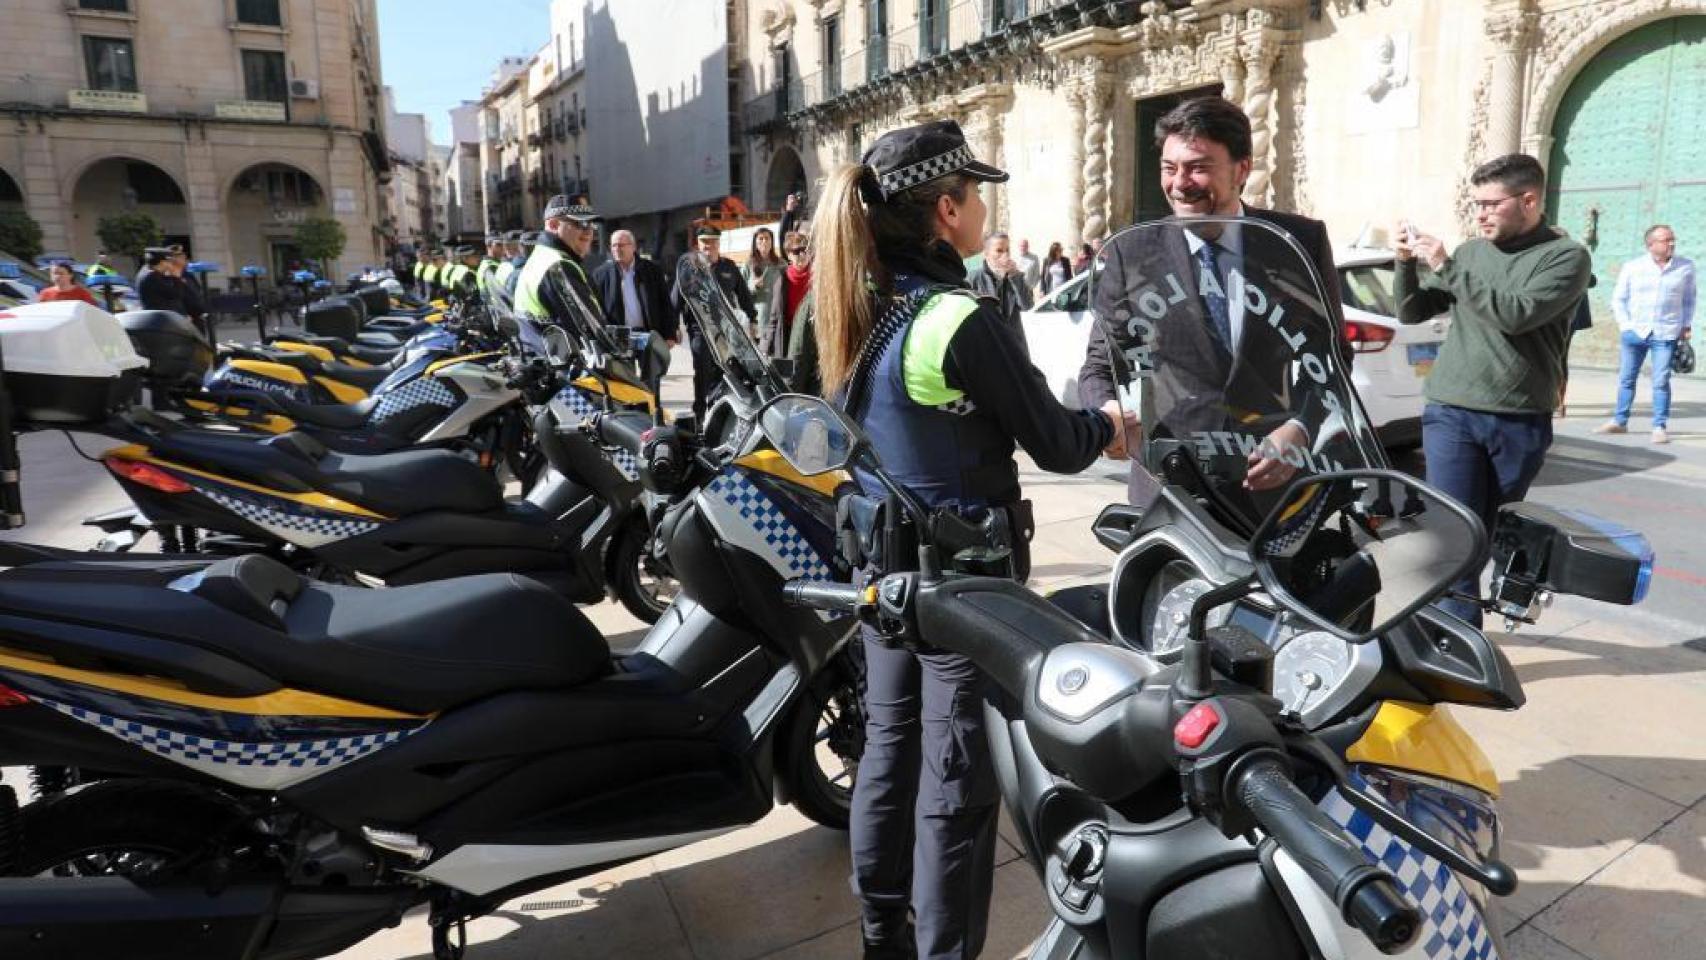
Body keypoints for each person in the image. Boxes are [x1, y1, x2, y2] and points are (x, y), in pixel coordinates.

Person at [811, 118, 1129, 960]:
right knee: (955, 781)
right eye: (977, 194)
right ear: (948, 209)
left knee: (887, 752)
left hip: (881, 577)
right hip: (962, 592)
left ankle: (884, 933)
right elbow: (1058, 444)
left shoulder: (850, 304)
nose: (985, 207)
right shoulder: (957, 317)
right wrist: (1109, 424)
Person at [1079, 95, 1343, 507]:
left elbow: (1332, 357)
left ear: (1242, 168)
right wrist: (1110, 415)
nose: (1179, 183)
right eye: (1169, 168)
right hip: (1170, 488)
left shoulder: (1298, 243)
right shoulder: (1133, 253)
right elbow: (1100, 366)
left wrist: (1301, 427)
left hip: (1275, 490)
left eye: (1198, 167)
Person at [1395, 152, 1591, 625]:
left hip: (1518, 417)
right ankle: (1458, 636)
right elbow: (1412, 312)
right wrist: (1404, 263)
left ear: (1528, 200)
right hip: (1451, 410)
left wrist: (1444, 263)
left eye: (1490, 203)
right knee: (1452, 529)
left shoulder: (1566, 258)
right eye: (1475, 203)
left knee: (1487, 531)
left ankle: (1469, 615)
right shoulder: (1471, 252)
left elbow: (1515, 314)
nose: (1479, 213)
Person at [1597, 225, 1696, 443]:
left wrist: (1686, 325)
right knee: (1626, 378)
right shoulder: (1633, 267)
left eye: (1672, 239)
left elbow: (1689, 300)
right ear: (1651, 244)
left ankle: (1659, 426)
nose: (1671, 243)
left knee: (1660, 380)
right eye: (1665, 240)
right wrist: (1626, 326)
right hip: (1635, 333)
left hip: (1666, 332)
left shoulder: (1685, 267)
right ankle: (1619, 421)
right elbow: (1618, 299)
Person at [671, 225, 755, 424]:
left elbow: (743, 296)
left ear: (719, 243)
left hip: (727, 331)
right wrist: (673, 325)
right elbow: (676, 298)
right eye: (704, 242)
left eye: (713, 241)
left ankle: (718, 414)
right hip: (700, 328)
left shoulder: (729, 267)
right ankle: (699, 417)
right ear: (698, 244)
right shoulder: (689, 270)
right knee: (702, 372)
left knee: (726, 372)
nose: (709, 246)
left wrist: (753, 320)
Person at [593, 229, 678, 390]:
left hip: (649, 334)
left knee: (652, 382)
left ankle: (652, 412)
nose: (617, 249)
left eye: (621, 245)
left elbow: (665, 304)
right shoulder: (601, 275)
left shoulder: (652, 270)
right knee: (626, 385)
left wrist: (670, 334)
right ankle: (632, 414)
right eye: (614, 246)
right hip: (620, 337)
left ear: (633, 247)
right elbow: (597, 309)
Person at [514, 194, 606, 332]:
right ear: (554, 225)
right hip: (558, 353)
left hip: (540, 350)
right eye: (581, 223)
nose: (589, 231)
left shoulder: (541, 257)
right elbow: (591, 331)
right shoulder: (558, 266)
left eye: (592, 224)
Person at [763, 231, 813, 364]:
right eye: (797, 251)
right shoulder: (782, 278)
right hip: (788, 336)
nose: (802, 255)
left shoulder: (817, 277)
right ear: (789, 255)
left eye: (805, 250)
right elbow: (774, 317)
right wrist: (764, 348)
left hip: (813, 335)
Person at [967, 231, 1033, 322]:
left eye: (1007, 250)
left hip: (1010, 334)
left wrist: (1015, 276)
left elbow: (1027, 306)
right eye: (999, 251)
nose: (1005, 255)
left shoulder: (1015, 276)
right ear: (986, 254)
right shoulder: (974, 278)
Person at [744, 226, 786, 343]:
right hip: (758, 320)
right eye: (760, 238)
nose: (764, 241)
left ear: (772, 242)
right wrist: (753, 287)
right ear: (755, 242)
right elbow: (740, 293)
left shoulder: (781, 264)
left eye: (767, 238)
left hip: (778, 319)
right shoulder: (748, 265)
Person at [476, 235, 505, 300]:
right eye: (498, 244)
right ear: (489, 246)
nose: (502, 247)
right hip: (495, 305)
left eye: (502, 244)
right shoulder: (491, 266)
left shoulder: (485, 263)